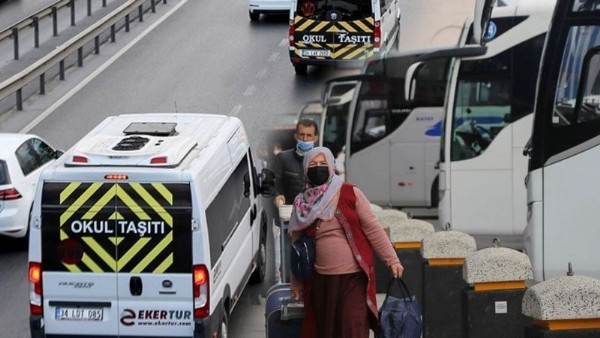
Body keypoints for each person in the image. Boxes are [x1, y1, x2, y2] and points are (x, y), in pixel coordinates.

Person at [289, 147, 404, 338]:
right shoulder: (302, 204)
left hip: (354, 280)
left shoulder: (350, 193)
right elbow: (297, 247)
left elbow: (373, 229)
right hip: (320, 282)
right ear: (305, 169)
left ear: (332, 166)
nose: (319, 168)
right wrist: (296, 282)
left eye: (323, 164)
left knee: (354, 327)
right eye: (313, 165)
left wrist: (392, 260)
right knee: (327, 332)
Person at [272, 118, 320, 206]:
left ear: (315, 138)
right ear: (296, 136)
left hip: (314, 213)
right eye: (302, 134)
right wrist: (277, 195)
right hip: (289, 213)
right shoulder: (283, 158)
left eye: (309, 135)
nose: (305, 139)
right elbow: (273, 183)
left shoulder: (322, 160)